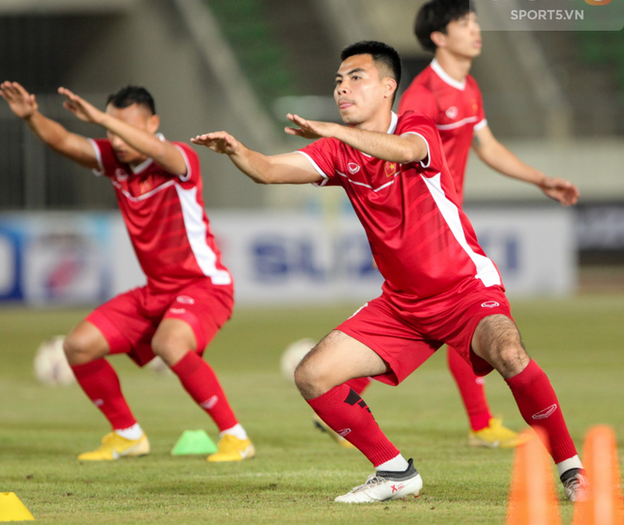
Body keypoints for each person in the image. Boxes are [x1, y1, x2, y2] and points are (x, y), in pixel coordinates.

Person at [191, 41, 586, 503]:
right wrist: (238, 151)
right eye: (338, 81)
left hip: (464, 289)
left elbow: (402, 150)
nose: (342, 88)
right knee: (312, 375)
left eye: (355, 77)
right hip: (402, 305)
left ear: (387, 87)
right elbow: (270, 171)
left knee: (509, 353)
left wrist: (333, 130)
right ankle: (394, 470)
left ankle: (573, 470)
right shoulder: (338, 152)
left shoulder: (416, 127)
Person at [339, 0, 580, 450]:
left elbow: (486, 147)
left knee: (461, 318)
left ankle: (364, 393)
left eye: (475, 22)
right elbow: (394, 149)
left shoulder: (468, 88)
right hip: (422, 223)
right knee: (460, 315)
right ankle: (480, 423)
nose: (476, 30)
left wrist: (540, 179)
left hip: (449, 221)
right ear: (439, 36)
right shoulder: (423, 95)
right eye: (466, 23)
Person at [0, 81, 254, 462]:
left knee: (170, 344)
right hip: (156, 290)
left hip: (205, 286)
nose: (115, 140)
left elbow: (161, 152)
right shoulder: (118, 161)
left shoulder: (179, 158)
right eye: (108, 130)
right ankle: (128, 434)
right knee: (78, 347)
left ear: (152, 124)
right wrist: (33, 117)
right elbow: (65, 141)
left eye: (123, 128)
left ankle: (236, 437)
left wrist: (103, 119)